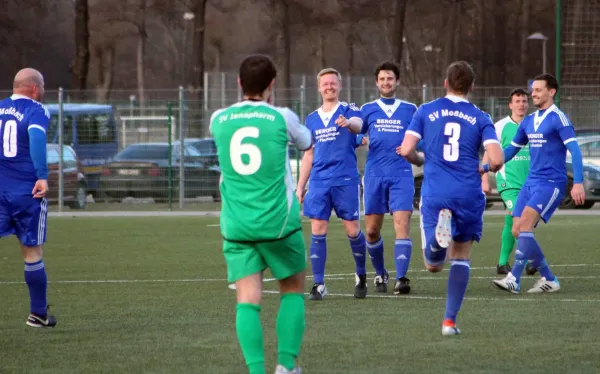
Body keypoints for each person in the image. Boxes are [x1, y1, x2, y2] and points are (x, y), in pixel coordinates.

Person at [210, 54, 312, 374]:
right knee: (293, 287)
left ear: (239, 83)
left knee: (247, 299)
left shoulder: (218, 119)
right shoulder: (281, 116)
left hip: (237, 223)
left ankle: (256, 371)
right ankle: (285, 365)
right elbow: (307, 143)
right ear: (272, 85)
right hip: (278, 222)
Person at [398, 61, 504, 336]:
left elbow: (407, 149)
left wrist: (421, 158)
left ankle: (435, 241)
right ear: (472, 87)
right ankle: (449, 322)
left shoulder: (426, 111)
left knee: (433, 265)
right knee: (461, 256)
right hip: (468, 193)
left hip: (436, 191)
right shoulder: (480, 117)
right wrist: (486, 167)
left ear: (445, 83)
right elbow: (497, 159)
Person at [490, 73, 585, 294]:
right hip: (531, 182)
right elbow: (512, 149)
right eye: (532, 90)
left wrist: (578, 182)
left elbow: (576, 151)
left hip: (550, 183)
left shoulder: (558, 118)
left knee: (524, 225)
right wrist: (488, 166)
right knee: (516, 229)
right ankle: (549, 278)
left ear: (551, 92)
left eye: (538, 90)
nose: (533, 94)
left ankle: (514, 278)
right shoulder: (530, 121)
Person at [296, 68, 367, 300]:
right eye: (325, 84)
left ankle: (361, 275)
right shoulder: (311, 119)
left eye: (333, 83)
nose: (329, 87)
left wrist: (348, 123)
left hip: (345, 179)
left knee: (353, 230)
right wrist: (300, 187)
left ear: (340, 86)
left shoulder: (349, 110)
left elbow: (359, 125)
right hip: (318, 181)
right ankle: (319, 284)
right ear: (319, 88)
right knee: (318, 230)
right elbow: (309, 155)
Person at [0, 68, 56, 328]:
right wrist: (42, 176)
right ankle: (38, 314)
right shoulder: (37, 109)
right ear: (35, 89)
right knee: (32, 252)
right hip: (26, 192)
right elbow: (36, 138)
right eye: (43, 86)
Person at [359, 61, 418, 295]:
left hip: (401, 175)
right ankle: (381, 273)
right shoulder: (367, 109)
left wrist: (415, 151)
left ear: (397, 81)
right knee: (372, 232)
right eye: (382, 79)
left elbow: (420, 140)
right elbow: (355, 135)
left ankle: (401, 278)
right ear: (377, 82)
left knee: (402, 225)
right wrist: (359, 139)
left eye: (390, 78)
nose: (386, 82)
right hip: (374, 175)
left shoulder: (411, 109)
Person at [481, 88, 531, 275]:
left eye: (524, 101)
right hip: (508, 182)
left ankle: (502, 263)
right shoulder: (500, 126)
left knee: (514, 221)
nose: (521, 104)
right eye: (517, 101)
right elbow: (488, 152)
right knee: (520, 217)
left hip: (530, 182)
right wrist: (484, 178)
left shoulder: (533, 124)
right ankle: (531, 259)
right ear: (510, 105)